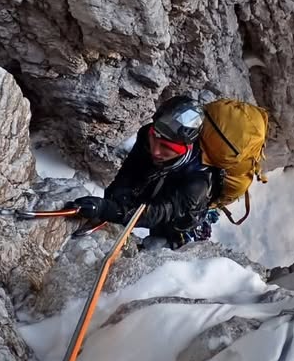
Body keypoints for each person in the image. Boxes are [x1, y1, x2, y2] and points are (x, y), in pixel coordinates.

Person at [70, 95, 224, 250]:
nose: (155, 150)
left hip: (180, 219)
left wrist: (109, 210)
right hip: (157, 184)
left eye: (167, 147)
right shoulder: (146, 134)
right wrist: (112, 203)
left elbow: (159, 213)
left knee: (158, 242)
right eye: (154, 138)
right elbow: (128, 173)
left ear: (186, 148)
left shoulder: (198, 180)